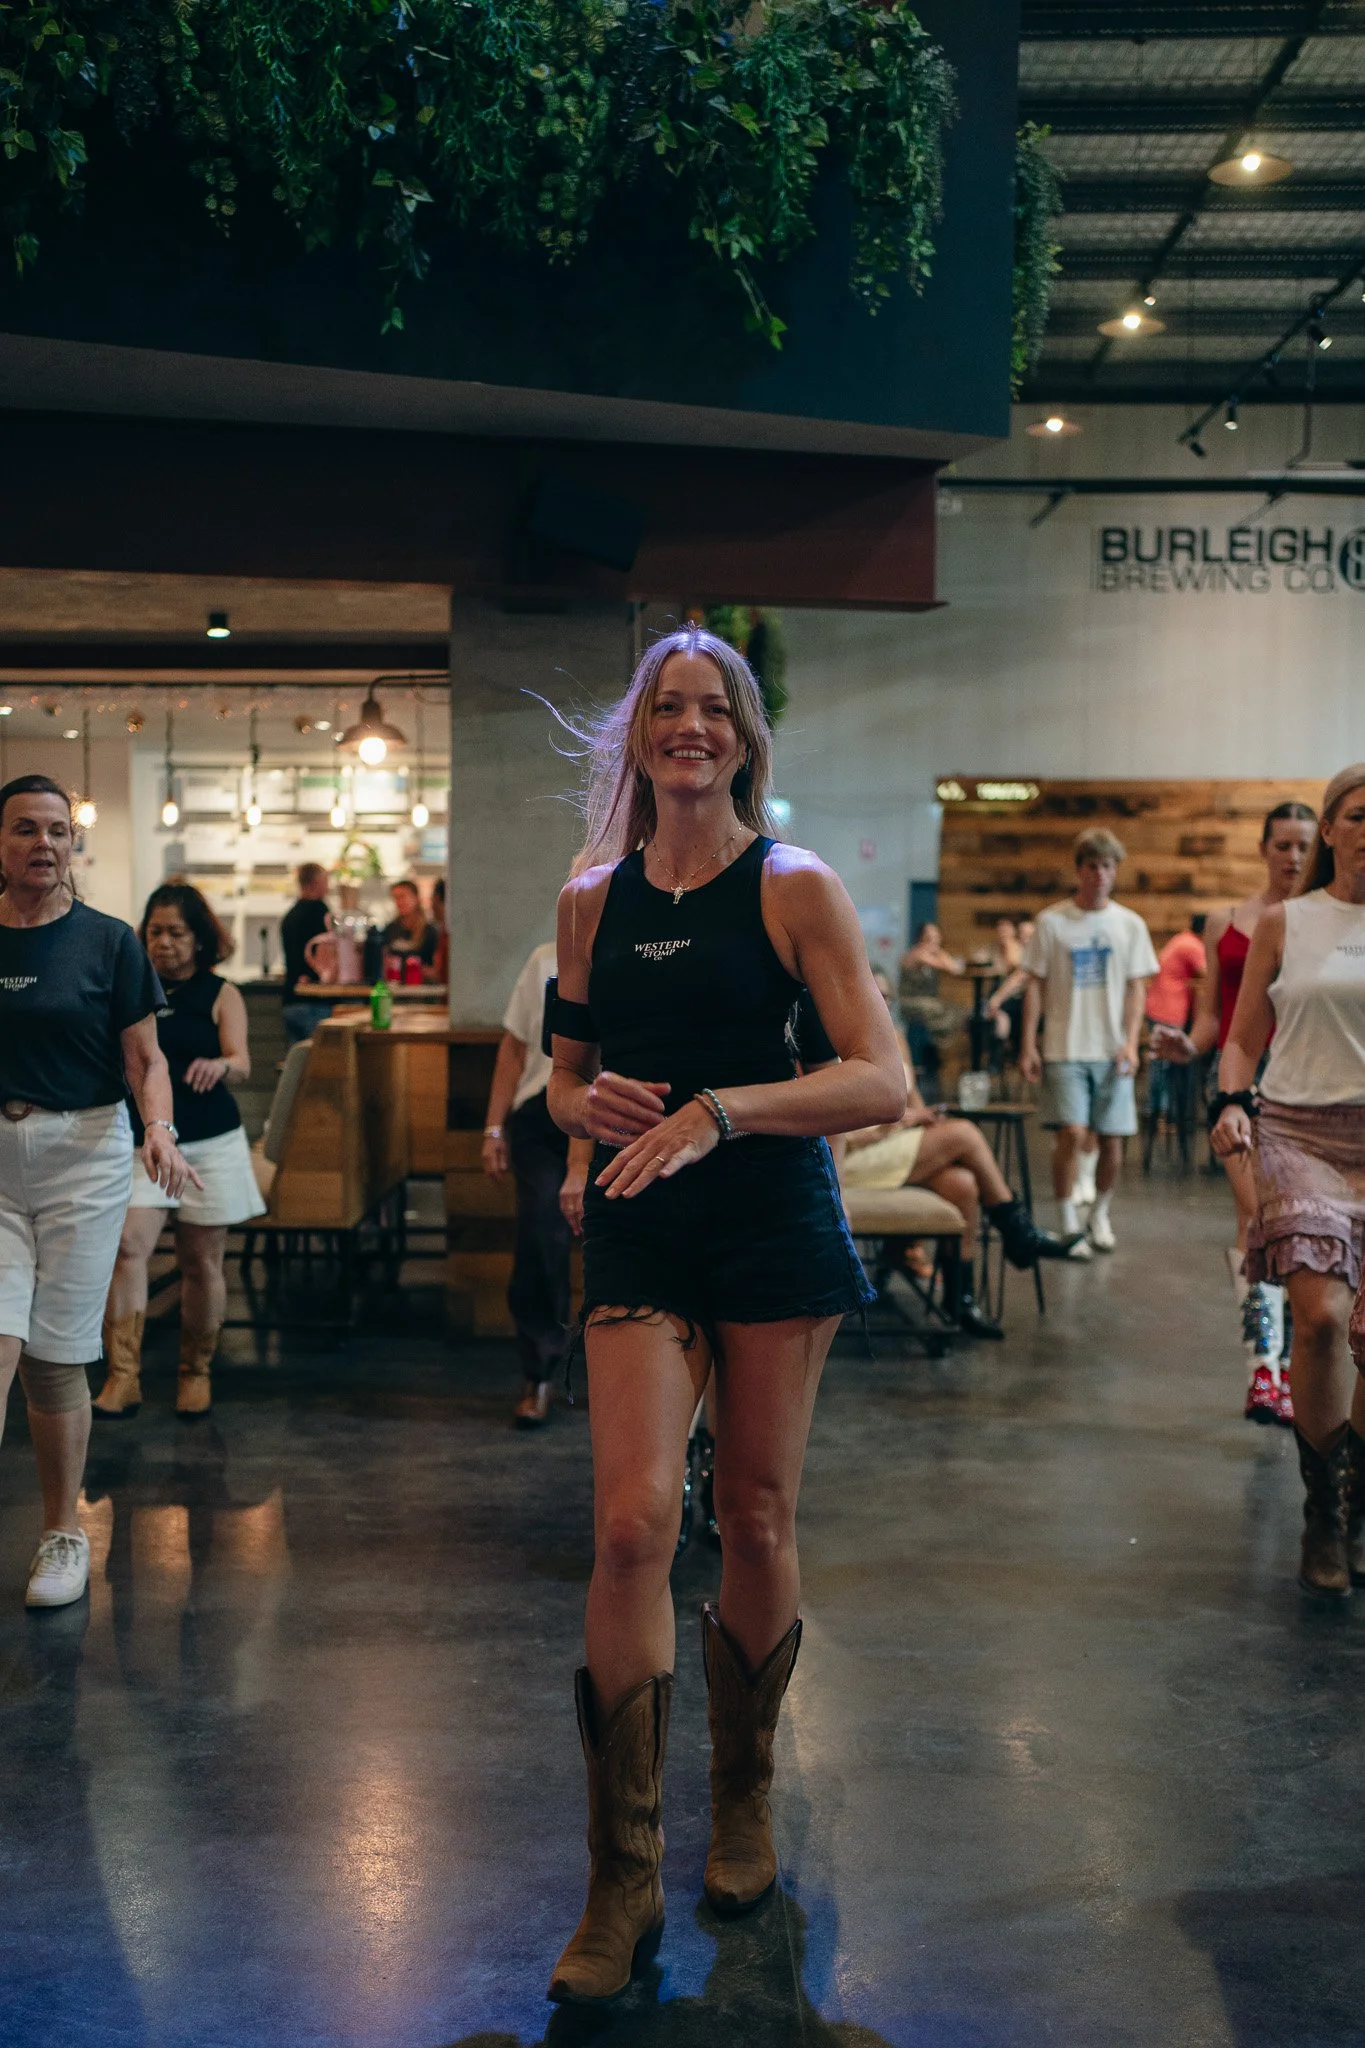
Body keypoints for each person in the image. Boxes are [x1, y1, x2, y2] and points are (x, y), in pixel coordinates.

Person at [544, 625, 904, 2005]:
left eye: (712, 709)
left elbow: (881, 1080)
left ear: (744, 736)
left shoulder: (792, 884)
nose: (688, 727)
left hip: (768, 1221)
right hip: (641, 1220)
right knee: (633, 1521)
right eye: (665, 709)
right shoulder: (591, 898)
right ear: (639, 736)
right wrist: (598, 1110)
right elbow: (566, 1086)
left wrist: (718, 1112)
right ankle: (620, 1878)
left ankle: (741, 1803)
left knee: (752, 1515)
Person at [0, 775, 196, 1609]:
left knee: (52, 1357)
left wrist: (159, 1129)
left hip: (84, 1152)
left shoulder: (109, 942)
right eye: (23, 829)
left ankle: (64, 1534)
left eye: (57, 831)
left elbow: (146, 1061)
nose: (42, 843)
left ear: (73, 846)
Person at [1213, 765, 1365, 1599]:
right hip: (1299, 1131)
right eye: (1356, 815)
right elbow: (1240, 1039)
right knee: (1318, 1319)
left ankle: (1356, 1502)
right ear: (1332, 830)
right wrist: (1232, 1099)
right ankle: (1321, 1513)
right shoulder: (1286, 922)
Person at [1153, 802, 1317, 1425]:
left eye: (1303, 845)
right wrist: (1188, 1045)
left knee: (1301, 1231)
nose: (1293, 857)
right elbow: (1216, 1020)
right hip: (1241, 1089)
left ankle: (1303, 1364)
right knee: (1255, 1224)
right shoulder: (1225, 925)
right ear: (1263, 848)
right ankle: (1263, 1370)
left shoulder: (1323, 922)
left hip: (1308, 1085)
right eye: (1282, 844)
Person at [95, 881, 267, 1422]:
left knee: (201, 1260)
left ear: (200, 940)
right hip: (145, 1140)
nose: (164, 942)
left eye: (177, 932)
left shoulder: (222, 994)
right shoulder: (129, 990)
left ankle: (196, 1372)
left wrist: (221, 1065)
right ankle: (123, 1376)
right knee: (127, 1246)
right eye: (155, 931)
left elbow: (242, 1061)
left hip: (211, 1142)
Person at [840, 971, 1079, 1337]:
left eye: (890, 998)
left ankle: (960, 1303)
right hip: (853, 1155)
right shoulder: (835, 1040)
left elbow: (910, 1100)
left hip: (895, 1143)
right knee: (966, 1134)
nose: (885, 1005)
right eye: (878, 996)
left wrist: (923, 1120)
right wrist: (901, 1123)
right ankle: (1018, 1230)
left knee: (963, 1184)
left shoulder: (896, 1038)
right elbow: (837, 1131)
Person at [1019, 827, 1159, 1259]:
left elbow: (1137, 989)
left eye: (1108, 866)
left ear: (1115, 872)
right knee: (1071, 1134)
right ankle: (1067, 1224)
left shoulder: (1130, 925)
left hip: (1111, 1048)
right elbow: (1035, 985)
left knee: (1112, 1140)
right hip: (1064, 1046)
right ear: (1079, 869)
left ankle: (1099, 1213)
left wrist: (1132, 1043)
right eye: (1092, 865)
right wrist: (1028, 1043)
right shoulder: (1052, 921)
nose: (1100, 874)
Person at [481, 938, 594, 1426]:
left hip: (617, 1114)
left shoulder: (637, 954)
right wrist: (492, 1127)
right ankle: (540, 1372)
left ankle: (628, 1379)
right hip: (541, 1118)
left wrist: (581, 1163)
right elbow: (514, 1047)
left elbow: (598, 1064)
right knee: (541, 1232)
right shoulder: (545, 959)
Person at [896, 921, 967, 1083]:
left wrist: (938, 950)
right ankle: (934, 1051)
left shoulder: (930, 953)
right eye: (929, 937)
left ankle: (936, 1050)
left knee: (957, 1010)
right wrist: (939, 951)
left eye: (936, 936)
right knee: (939, 1009)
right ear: (921, 938)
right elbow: (951, 968)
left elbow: (955, 969)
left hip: (927, 1001)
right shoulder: (918, 954)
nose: (933, 940)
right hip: (911, 1002)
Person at [280, 861, 334, 1045]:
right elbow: (327, 955)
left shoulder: (290, 915)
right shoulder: (319, 912)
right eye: (325, 881)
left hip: (291, 999)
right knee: (319, 1065)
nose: (328, 887)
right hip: (314, 1001)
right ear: (315, 883)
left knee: (297, 1065)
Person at [379, 878, 439, 980]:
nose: (399, 902)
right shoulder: (390, 929)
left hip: (422, 991)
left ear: (416, 898)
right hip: (395, 989)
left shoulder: (429, 931)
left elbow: (437, 971)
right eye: (395, 898)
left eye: (402, 897)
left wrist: (414, 969)